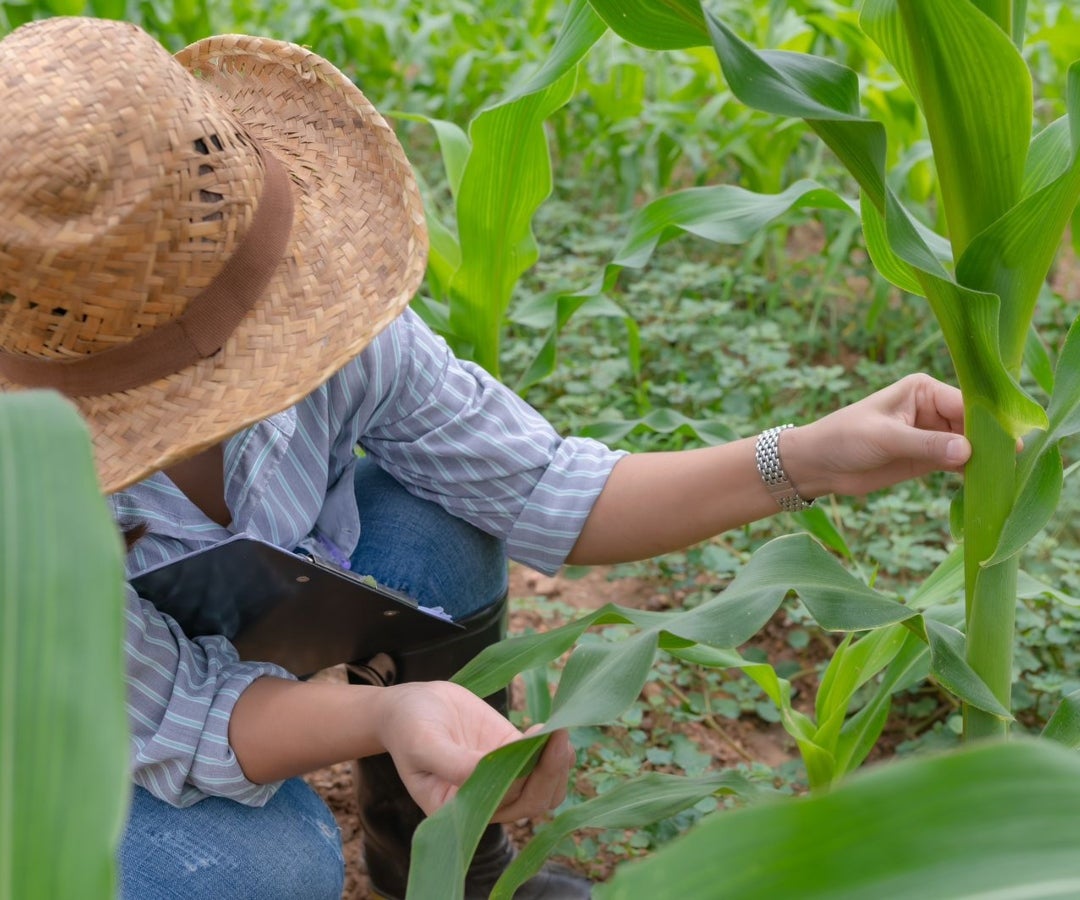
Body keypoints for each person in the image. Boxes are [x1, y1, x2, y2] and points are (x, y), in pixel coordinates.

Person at [0, 16, 972, 900]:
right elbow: (172, 711)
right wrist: (391, 716)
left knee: (439, 519)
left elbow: (551, 487)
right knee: (262, 869)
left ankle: (445, 867)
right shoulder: (19, 485)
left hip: (216, 657)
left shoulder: (320, 315)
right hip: (54, 730)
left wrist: (808, 458)